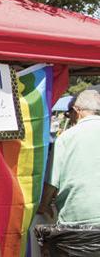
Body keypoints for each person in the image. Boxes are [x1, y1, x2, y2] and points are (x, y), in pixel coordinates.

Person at [42, 89, 100, 224]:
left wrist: (43, 206)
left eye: (69, 114)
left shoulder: (66, 138)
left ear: (77, 110)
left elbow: (52, 182)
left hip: (76, 219)